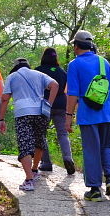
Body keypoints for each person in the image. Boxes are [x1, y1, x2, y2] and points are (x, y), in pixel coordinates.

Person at [65, 30, 110, 202]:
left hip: (88, 114)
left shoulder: (74, 65)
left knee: (91, 150)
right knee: (107, 146)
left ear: (76, 46)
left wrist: (68, 117)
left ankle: (95, 189)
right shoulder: (104, 62)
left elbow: (72, 94)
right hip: (108, 113)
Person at [0, 57, 58, 191]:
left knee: (25, 144)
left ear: (15, 67)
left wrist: (1, 119)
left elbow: (5, 99)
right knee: (39, 141)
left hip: (23, 113)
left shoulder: (12, 77)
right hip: (41, 113)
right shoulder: (39, 74)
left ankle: (29, 180)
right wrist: (49, 103)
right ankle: (34, 170)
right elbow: (55, 85)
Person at [35, 47, 76, 175]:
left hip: (44, 105)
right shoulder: (62, 72)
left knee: (41, 134)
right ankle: (68, 158)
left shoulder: (38, 71)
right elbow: (65, 90)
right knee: (62, 134)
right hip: (61, 105)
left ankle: (46, 163)